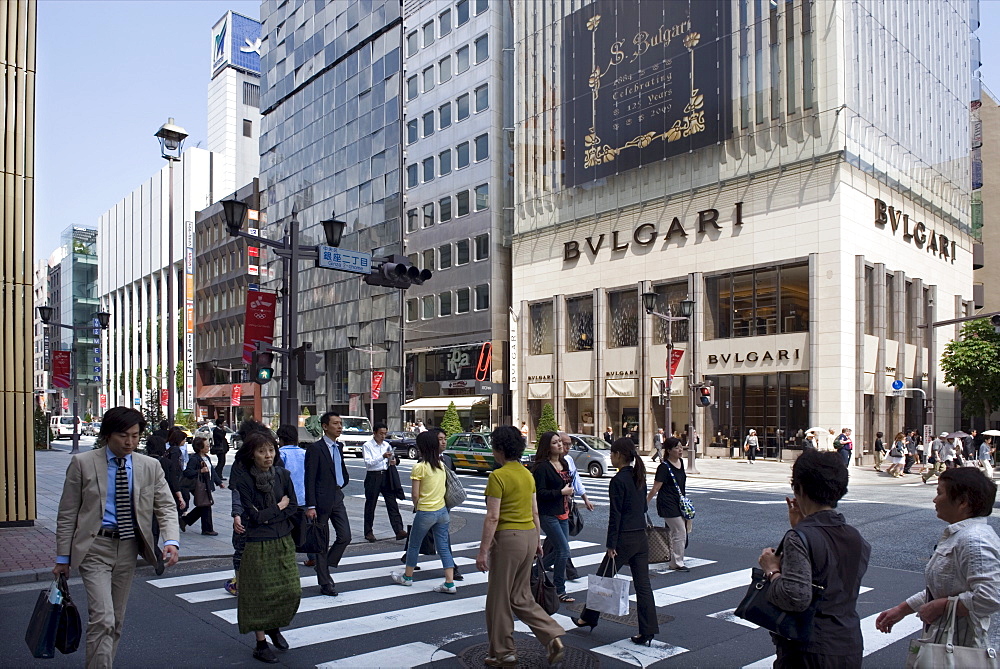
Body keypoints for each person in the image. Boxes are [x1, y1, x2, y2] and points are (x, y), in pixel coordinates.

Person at [53, 407, 181, 668]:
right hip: (94, 547)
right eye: (123, 435)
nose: (129, 442)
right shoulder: (83, 463)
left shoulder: (149, 466)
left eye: (135, 436)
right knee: (103, 618)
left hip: (128, 548)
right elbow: (67, 513)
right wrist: (62, 557)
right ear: (108, 434)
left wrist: (171, 540)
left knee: (117, 620)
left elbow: (166, 506)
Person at [757, 449, 871, 668]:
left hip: (808, 648)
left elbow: (795, 596)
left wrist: (772, 570)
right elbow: (832, 576)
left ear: (799, 488)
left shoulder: (798, 538)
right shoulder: (854, 535)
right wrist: (802, 526)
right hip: (848, 642)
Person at [876, 468, 1000, 652]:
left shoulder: (974, 540)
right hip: (949, 639)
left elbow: (990, 596)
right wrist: (902, 609)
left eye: (939, 493)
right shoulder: (962, 535)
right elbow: (943, 588)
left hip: (965, 646)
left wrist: (943, 606)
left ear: (962, 502)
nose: (935, 500)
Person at [477, 425, 565, 667]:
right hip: (528, 536)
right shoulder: (527, 474)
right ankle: (552, 633)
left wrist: (483, 550)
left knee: (499, 598)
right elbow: (535, 511)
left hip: (508, 539)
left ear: (499, 449)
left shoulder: (498, 476)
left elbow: (492, 517)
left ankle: (504, 652)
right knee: (521, 595)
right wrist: (537, 541)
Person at [574, 438, 658, 645]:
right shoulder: (639, 477)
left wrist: (611, 544)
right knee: (643, 586)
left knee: (603, 577)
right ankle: (647, 630)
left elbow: (616, 515)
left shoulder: (618, 481)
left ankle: (588, 617)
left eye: (612, 453)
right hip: (641, 537)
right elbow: (643, 508)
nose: (610, 457)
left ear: (620, 455)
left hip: (624, 539)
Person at [232, 431, 301, 664]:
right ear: (252, 455)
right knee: (258, 595)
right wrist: (278, 509)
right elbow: (253, 517)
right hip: (257, 542)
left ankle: (273, 626)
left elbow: (293, 505)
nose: (268, 455)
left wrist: (272, 513)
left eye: (271, 450)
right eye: (262, 451)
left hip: (282, 539)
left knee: (291, 590)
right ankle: (261, 644)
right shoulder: (244, 480)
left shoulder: (282, 474)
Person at [390, 430, 458, 593]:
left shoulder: (419, 467)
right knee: (443, 547)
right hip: (442, 511)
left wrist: (418, 506)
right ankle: (449, 582)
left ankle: (407, 577)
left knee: (414, 544)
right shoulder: (441, 465)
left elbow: (415, 494)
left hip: (426, 511)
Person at [305, 411, 351, 597]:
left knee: (345, 536)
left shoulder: (338, 446)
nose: (339, 426)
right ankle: (325, 582)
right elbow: (309, 478)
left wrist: (342, 482)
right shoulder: (315, 449)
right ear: (325, 427)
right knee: (321, 543)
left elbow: (340, 470)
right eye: (335, 423)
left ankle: (322, 566)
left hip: (337, 497)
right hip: (321, 501)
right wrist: (311, 505)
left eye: (340, 423)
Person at [532, 432, 576, 603]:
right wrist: (561, 492)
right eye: (555, 442)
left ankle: (534, 573)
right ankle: (559, 589)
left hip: (563, 511)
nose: (559, 445)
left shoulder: (563, 463)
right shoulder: (542, 467)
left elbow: (570, 482)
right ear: (547, 446)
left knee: (561, 550)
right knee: (564, 550)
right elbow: (540, 493)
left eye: (560, 442)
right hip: (548, 513)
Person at [647, 437, 689, 572]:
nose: (680, 450)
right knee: (680, 531)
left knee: (674, 532)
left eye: (681, 447)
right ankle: (676, 562)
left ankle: (670, 556)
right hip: (667, 504)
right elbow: (655, 488)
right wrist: (645, 502)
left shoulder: (681, 462)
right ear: (669, 450)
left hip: (680, 504)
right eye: (677, 448)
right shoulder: (664, 467)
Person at [276, 424, 315, 567]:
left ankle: (287, 559)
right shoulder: (304, 453)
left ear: (281, 439)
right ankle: (313, 557)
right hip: (305, 497)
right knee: (308, 529)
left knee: (286, 530)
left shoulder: (280, 454)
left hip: (288, 499)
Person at [362, 422, 407, 542]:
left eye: (385, 433)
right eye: (381, 433)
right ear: (374, 433)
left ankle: (399, 530)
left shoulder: (386, 445)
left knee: (392, 503)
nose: (383, 436)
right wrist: (382, 456)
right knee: (370, 505)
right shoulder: (367, 446)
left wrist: (394, 461)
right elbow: (368, 463)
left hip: (387, 475)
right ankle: (368, 531)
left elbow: (392, 459)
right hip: (373, 476)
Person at [180, 436, 224, 535]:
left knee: (204, 505)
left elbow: (212, 471)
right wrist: (200, 471)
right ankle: (207, 529)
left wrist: (218, 482)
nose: (209, 447)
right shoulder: (195, 459)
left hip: (207, 485)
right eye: (207, 446)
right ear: (200, 447)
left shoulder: (206, 457)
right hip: (199, 486)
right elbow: (188, 472)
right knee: (206, 505)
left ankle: (185, 520)